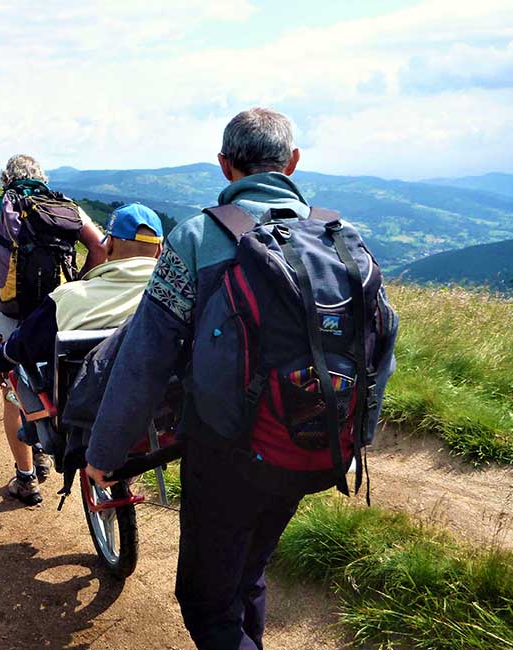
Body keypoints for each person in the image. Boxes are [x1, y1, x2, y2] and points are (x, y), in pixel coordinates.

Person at [84, 108, 398, 650]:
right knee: (249, 568)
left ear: (225, 166)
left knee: (206, 602)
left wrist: (105, 453)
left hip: (227, 454)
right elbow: (381, 345)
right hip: (316, 446)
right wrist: (354, 437)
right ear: (293, 163)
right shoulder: (343, 237)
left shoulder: (199, 238)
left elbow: (145, 358)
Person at [0, 154, 108, 506]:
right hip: (58, 310)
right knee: (59, 377)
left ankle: (26, 478)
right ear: (42, 177)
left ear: (5, 179)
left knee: (13, 388)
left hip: (9, 313)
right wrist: (80, 285)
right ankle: (55, 439)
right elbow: (100, 245)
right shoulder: (65, 205)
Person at [0, 203, 163, 376]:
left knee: (24, 374)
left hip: (81, 401)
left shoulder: (67, 298)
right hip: (153, 399)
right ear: (159, 251)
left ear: (109, 245)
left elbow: (24, 344)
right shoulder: (176, 300)